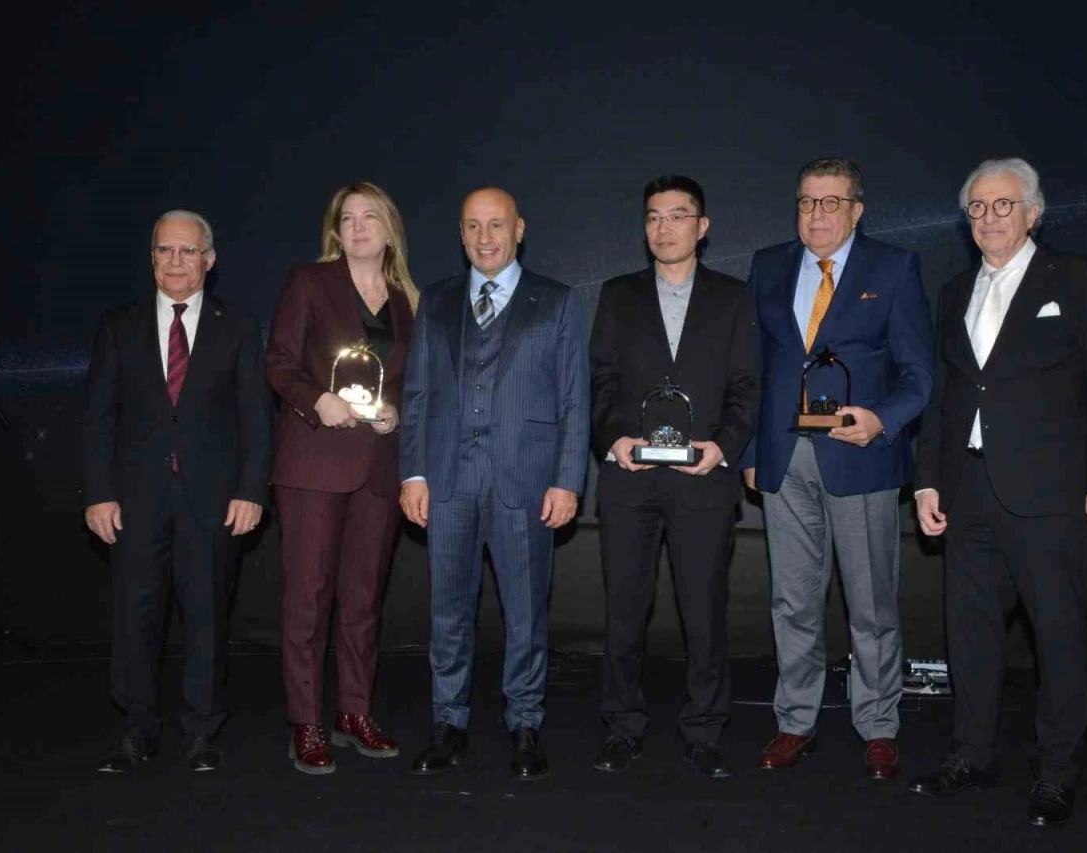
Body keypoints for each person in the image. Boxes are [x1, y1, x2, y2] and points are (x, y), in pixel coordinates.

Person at [908, 158, 1087, 827]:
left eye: (1003, 204)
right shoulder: (955, 291)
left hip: (1053, 495)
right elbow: (946, 396)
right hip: (968, 489)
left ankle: (1057, 771)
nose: (989, 217)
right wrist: (927, 477)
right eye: (977, 207)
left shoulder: (1076, 278)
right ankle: (971, 753)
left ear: (1033, 212)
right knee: (970, 634)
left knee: (1059, 637)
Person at [740, 158, 934, 779]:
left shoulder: (894, 267)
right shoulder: (768, 266)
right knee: (791, 601)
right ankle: (795, 720)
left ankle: (877, 725)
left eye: (830, 203)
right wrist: (752, 452)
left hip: (860, 456)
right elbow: (755, 370)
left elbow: (919, 374)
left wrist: (882, 420)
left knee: (871, 604)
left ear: (856, 210)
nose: (816, 214)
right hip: (784, 457)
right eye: (806, 202)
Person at [399, 187, 590, 781]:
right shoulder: (436, 301)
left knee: (526, 614)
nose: (485, 238)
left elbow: (574, 400)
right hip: (448, 482)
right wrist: (413, 472)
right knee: (448, 613)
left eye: (497, 225)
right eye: (473, 226)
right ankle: (448, 723)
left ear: (519, 230)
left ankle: (525, 723)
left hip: (526, 483)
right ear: (461, 234)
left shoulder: (556, 301)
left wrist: (567, 481)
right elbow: (417, 394)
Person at [82, 210, 272, 773]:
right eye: (164, 250)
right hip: (133, 501)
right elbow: (97, 418)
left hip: (213, 501)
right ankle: (137, 731)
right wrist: (98, 492)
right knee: (134, 618)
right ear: (152, 259)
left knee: (207, 618)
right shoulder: (118, 325)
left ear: (209, 261)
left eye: (188, 251)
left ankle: (200, 732)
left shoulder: (238, 326)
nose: (175, 261)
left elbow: (256, 419)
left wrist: (251, 491)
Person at [588, 175, 758, 779]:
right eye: (654, 217)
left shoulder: (734, 298)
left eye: (678, 216)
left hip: (703, 480)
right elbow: (600, 382)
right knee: (624, 612)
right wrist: (613, 438)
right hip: (629, 480)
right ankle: (622, 726)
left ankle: (705, 730)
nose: (664, 228)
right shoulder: (618, 295)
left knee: (704, 613)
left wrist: (724, 447)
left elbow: (747, 387)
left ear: (702, 227)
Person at [265, 182, 418, 774]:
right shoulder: (309, 282)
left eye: (369, 216)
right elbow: (278, 362)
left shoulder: (406, 298)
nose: (357, 226)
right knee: (309, 598)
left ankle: (355, 712)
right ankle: (306, 721)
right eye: (346, 218)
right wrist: (317, 400)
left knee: (363, 599)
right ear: (336, 230)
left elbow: (410, 381)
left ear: (389, 228)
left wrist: (396, 412)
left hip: (378, 467)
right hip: (313, 462)